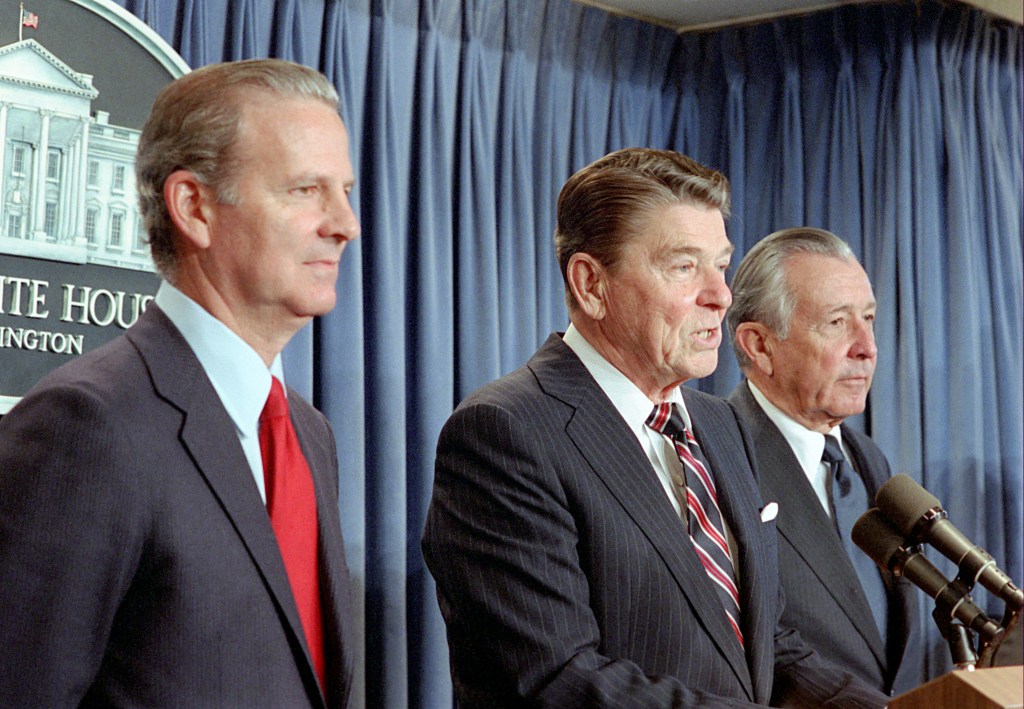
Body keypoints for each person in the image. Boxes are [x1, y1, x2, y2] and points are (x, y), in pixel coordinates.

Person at [422, 148, 888, 707]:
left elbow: (767, 644)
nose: (720, 296)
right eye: (684, 267)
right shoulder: (506, 433)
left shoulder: (720, 424)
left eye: (720, 265)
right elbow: (557, 679)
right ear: (592, 285)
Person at [0, 59, 360, 707]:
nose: (344, 224)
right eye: (306, 190)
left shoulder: (310, 435)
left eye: (345, 191)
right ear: (194, 208)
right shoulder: (88, 425)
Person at [725, 227, 919, 696]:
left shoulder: (866, 458)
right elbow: (755, 644)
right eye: (836, 322)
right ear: (760, 345)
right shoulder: (719, 460)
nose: (867, 347)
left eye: (868, 318)